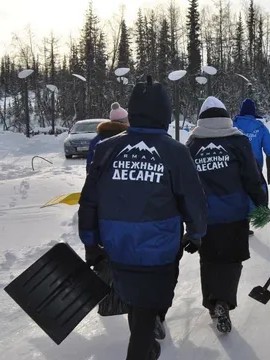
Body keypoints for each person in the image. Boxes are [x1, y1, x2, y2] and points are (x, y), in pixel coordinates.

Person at [78, 77, 207, 360]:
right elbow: (192, 199)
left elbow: (89, 200)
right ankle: (142, 350)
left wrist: (90, 243)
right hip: (160, 247)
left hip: (117, 245)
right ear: (165, 113)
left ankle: (147, 346)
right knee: (149, 304)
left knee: (137, 301)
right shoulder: (175, 151)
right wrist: (196, 233)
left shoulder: (106, 148)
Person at [185, 97, 270, 334]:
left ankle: (212, 304)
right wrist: (262, 205)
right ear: (225, 117)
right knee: (232, 260)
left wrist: (187, 218)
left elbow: (185, 185)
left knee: (209, 259)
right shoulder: (239, 142)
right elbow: (253, 178)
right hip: (234, 213)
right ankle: (224, 300)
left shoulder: (191, 146)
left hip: (204, 216)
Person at [233, 98, 270, 234]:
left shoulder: (232, 125)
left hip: (234, 165)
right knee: (253, 191)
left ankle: (238, 222)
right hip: (254, 167)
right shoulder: (260, 128)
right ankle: (250, 219)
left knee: (237, 192)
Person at [86, 102, 129, 173]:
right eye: (128, 120)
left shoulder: (97, 140)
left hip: (101, 180)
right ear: (124, 122)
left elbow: (90, 164)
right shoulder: (126, 139)